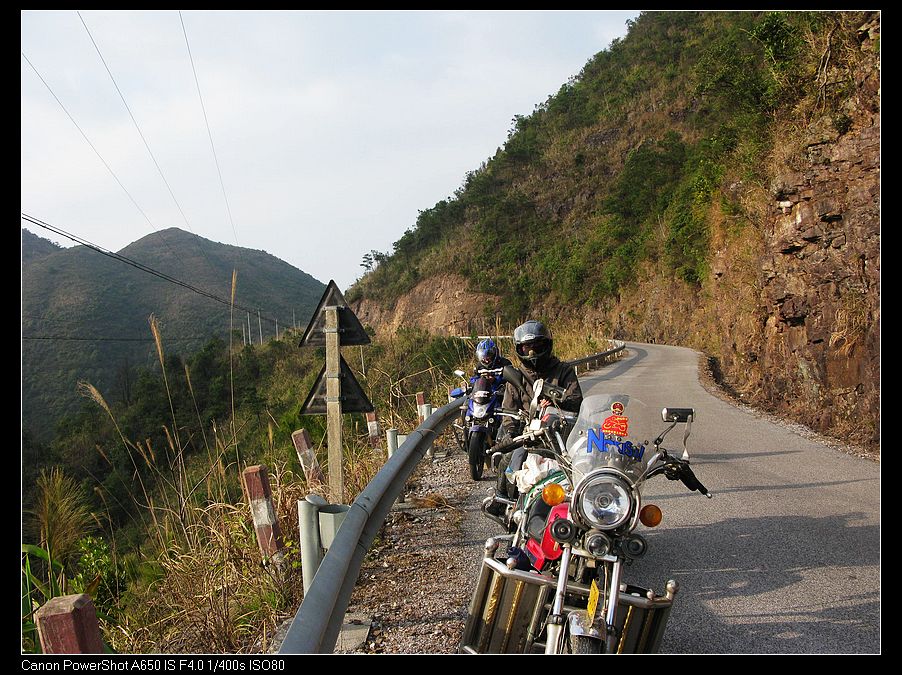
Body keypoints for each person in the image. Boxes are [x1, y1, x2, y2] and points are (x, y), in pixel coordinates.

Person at [489, 320, 584, 507]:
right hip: (528, 434)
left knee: (581, 464)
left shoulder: (563, 371)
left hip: (560, 432)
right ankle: (504, 502)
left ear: (547, 345)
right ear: (519, 349)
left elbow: (576, 400)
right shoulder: (516, 377)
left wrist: (556, 400)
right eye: (526, 348)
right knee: (510, 461)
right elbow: (508, 409)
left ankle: (586, 501)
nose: (531, 352)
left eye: (537, 346)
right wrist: (513, 431)